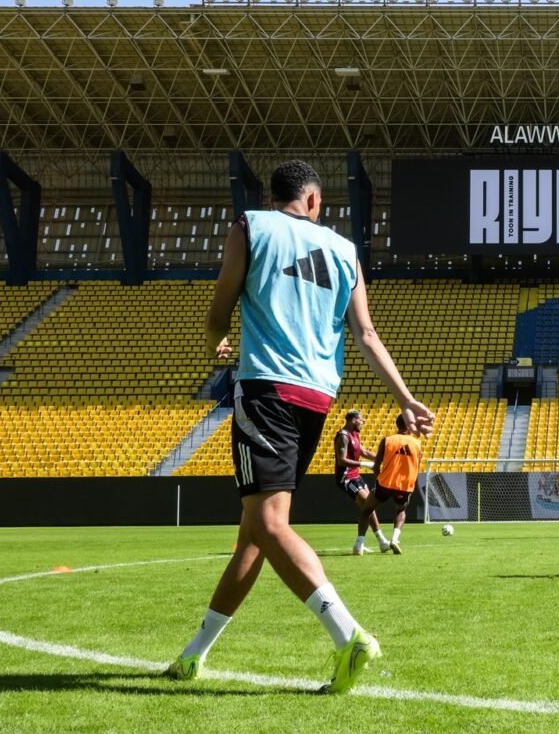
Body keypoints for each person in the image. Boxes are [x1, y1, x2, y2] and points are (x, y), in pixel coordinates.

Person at [166, 160, 433, 693]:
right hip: (316, 398)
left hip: (266, 387)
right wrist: (405, 400)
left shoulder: (250, 226)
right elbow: (368, 335)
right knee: (255, 533)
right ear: (313, 201)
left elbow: (220, 309)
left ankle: (348, 634)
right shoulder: (345, 251)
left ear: (278, 197)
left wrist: (214, 338)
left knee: (267, 524)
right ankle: (194, 655)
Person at [360, 414, 424, 554]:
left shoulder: (387, 440)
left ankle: (359, 545)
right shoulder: (418, 444)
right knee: (400, 510)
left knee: (366, 510)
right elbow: (416, 467)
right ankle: (395, 539)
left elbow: (376, 466)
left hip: (385, 483)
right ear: (408, 425)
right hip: (405, 486)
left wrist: (379, 479)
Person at [333, 410, 384, 555]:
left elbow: (365, 452)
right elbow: (341, 460)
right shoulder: (343, 436)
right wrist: (365, 465)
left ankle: (377, 542)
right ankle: (377, 541)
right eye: (361, 420)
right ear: (353, 420)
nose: (362, 423)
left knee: (370, 506)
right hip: (346, 477)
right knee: (368, 504)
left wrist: (383, 460)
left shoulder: (356, 435)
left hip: (356, 476)